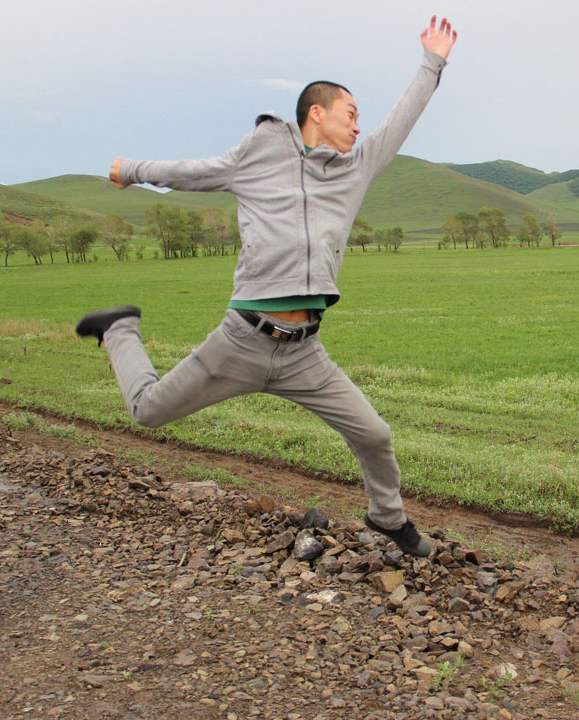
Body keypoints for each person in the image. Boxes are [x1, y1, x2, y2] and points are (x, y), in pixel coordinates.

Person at [76, 16, 458, 557]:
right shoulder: (258, 154)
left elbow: (401, 121)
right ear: (316, 112)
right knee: (147, 412)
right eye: (351, 114)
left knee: (374, 434)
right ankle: (120, 328)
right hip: (241, 341)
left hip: (305, 352)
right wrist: (132, 169)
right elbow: (193, 172)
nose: (358, 126)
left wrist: (432, 61)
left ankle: (387, 516)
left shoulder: (355, 168)